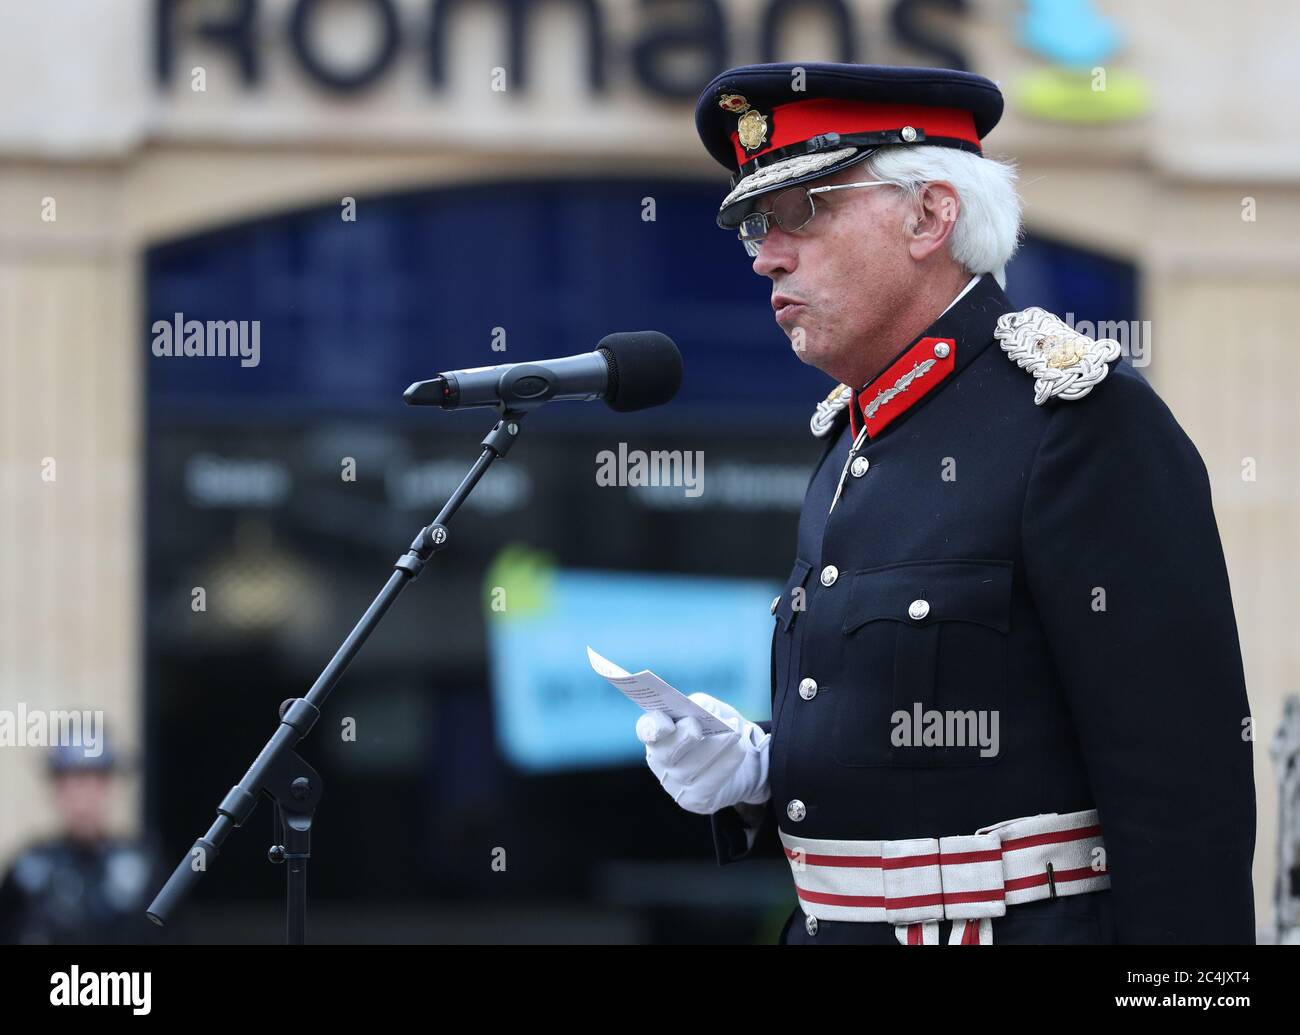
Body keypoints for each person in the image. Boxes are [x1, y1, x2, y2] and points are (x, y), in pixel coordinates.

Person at [636, 62, 1256, 945]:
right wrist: (762, 765)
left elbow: (1182, 791)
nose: (769, 254)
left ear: (929, 214)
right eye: (757, 229)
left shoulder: (1076, 419)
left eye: (800, 212)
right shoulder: (853, 436)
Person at [0, 733, 167, 944]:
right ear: (57, 790)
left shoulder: (143, 869)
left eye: (93, 783)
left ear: (108, 787)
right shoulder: (27, 871)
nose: (83, 801)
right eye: (73, 784)